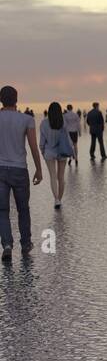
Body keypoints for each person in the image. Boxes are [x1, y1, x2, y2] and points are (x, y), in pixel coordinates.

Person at [0, 86, 42, 260]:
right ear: (16, 99)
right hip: (20, 169)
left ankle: (7, 244)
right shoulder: (27, 119)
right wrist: (39, 169)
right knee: (23, 209)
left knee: (2, 210)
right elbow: (33, 146)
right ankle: (25, 244)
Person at [40, 101, 74, 207]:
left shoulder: (44, 123)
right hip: (62, 151)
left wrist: (42, 151)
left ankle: (56, 200)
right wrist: (72, 150)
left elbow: (42, 141)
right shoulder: (63, 122)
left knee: (53, 176)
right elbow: (68, 138)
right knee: (61, 177)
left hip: (49, 152)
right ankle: (60, 198)